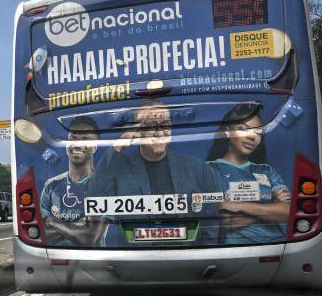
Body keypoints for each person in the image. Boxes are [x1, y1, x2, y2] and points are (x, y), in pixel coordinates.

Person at [87, 100, 221, 245]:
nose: (159, 132)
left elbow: (212, 220)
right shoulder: (119, 170)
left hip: (188, 259)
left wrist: (200, 256)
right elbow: (95, 195)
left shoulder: (198, 169)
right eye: (151, 125)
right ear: (137, 131)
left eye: (165, 125)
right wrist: (117, 147)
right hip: (136, 260)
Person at [207, 103, 290, 244]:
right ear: (227, 132)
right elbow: (226, 222)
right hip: (236, 251)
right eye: (244, 129)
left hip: (278, 246)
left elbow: (287, 212)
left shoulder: (267, 170)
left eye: (258, 132)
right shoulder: (209, 170)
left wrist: (241, 206)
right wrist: (270, 205)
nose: (252, 137)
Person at [40, 116, 102, 246]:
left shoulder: (103, 185)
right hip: (55, 260)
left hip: (92, 262)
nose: (77, 144)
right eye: (73, 138)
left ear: (95, 147)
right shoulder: (51, 186)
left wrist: (51, 221)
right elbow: (43, 235)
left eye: (85, 139)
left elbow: (89, 238)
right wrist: (76, 227)